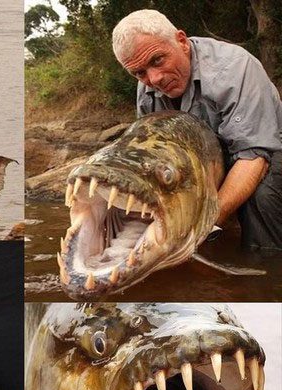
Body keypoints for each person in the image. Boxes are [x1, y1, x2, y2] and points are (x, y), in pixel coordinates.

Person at [112, 9, 282, 249]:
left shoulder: (234, 68)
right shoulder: (147, 88)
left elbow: (254, 156)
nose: (155, 79)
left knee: (262, 198)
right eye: (139, 73)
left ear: (181, 41)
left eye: (158, 60)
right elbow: (153, 156)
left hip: (266, 147)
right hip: (211, 156)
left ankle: (267, 268)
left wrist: (203, 226)